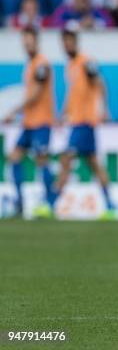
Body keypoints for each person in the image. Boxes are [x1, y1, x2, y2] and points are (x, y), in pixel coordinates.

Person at [54, 27, 116, 220]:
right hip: (76, 121)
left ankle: (50, 202)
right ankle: (111, 206)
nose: (67, 45)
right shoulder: (70, 65)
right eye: (64, 41)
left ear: (76, 41)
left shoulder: (85, 61)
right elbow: (73, 93)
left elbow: (100, 83)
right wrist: (63, 113)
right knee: (94, 165)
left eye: (70, 41)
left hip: (85, 121)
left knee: (66, 157)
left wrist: (104, 108)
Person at [2, 27, 57, 218]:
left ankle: (50, 204)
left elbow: (36, 95)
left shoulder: (42, 64)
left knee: (42, 160)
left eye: (30, 40)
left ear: (37, 41)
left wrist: (14, 111)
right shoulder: (30, 64)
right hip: (29, 122)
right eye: (25, 41)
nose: (27, 44)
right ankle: (19, 204)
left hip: (41, 122)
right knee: (14, 158)